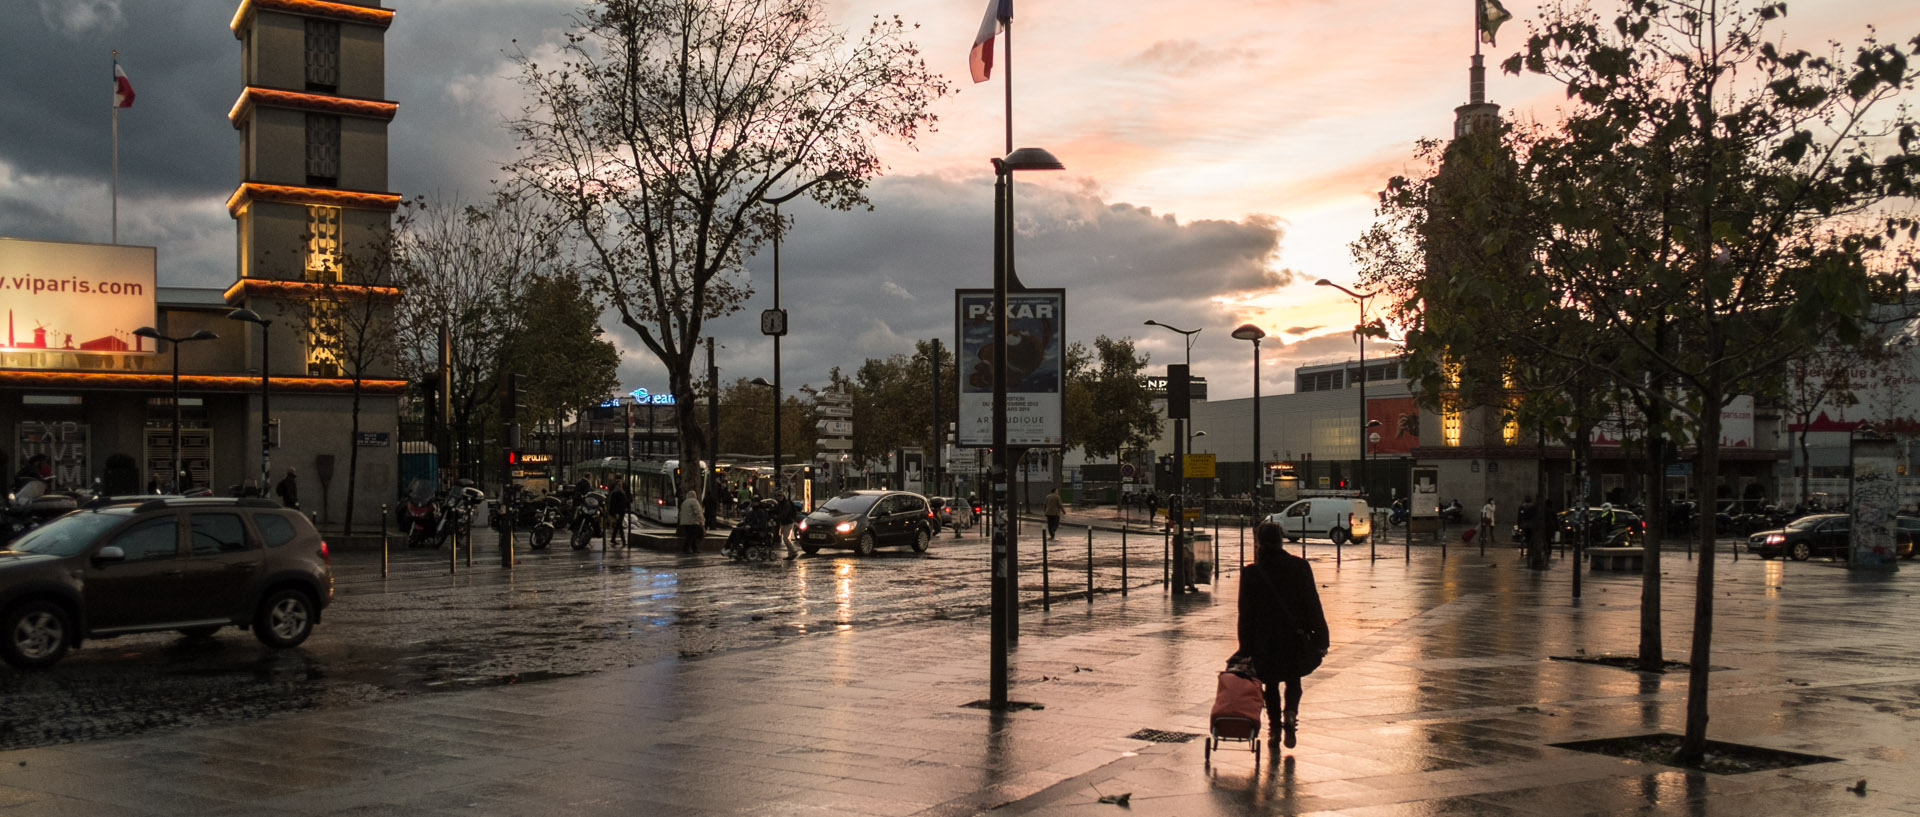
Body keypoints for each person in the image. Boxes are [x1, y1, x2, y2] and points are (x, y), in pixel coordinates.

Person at [1238, 521, 1330, 750]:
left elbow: (1245, 614)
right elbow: (1313, 604)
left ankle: (1275, 729)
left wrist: (1245, 648)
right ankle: (1290, 716)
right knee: (1293, 678)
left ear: (1259, 541)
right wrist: (1321, 638)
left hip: (1264, 639)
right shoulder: (1300, 567)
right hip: (1293, 636)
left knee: (1270, 684)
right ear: (1281, 540)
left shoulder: (1251, 572)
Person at [773, 493, 799, 559]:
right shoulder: (780, 504)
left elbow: (784, 513)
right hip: (784, 522)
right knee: (785, 538)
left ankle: (793, 551)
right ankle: (790, 554)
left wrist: (778, 517)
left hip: (788, 522)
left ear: (783, 496)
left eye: (780, 496)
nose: (779, 497)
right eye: (778, 496)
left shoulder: (786, 504)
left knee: (785, 539)